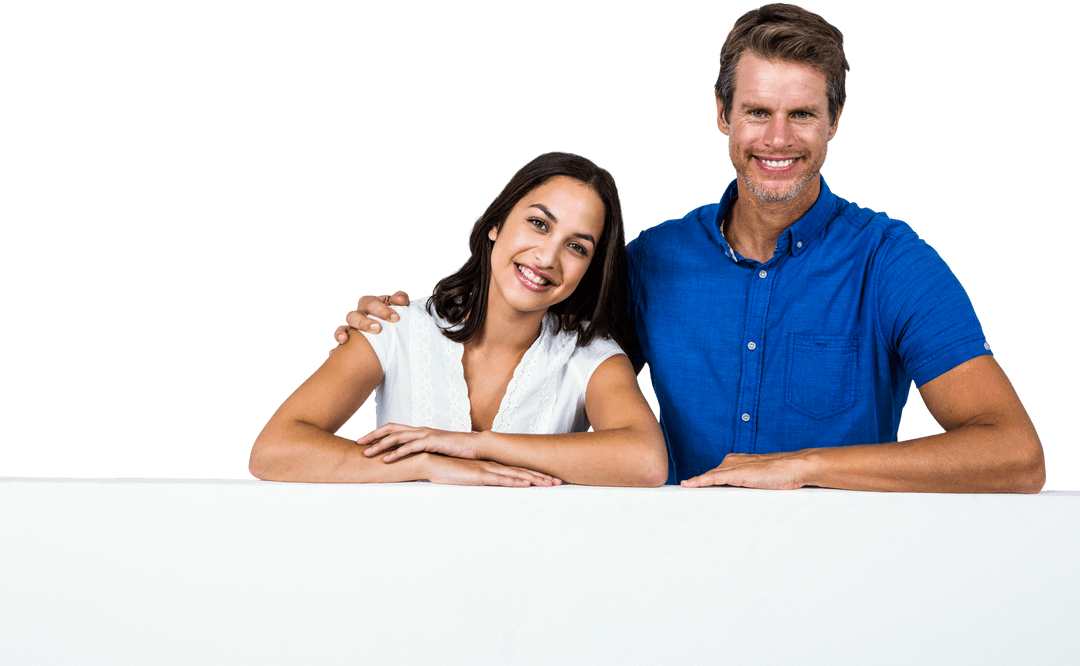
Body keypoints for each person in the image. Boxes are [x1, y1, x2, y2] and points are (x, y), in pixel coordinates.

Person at [338, 4, 1045, 493]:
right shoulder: (652, 261)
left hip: (846, 567)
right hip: (675, 568)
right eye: (757, 112)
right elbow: (540, 359)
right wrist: (412, 330)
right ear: (721, 116)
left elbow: (1015, 455)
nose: (779, 138)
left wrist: (803, 467)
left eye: (802, 114)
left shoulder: (893, 263)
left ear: (835, 123)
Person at [250, 152, 667, 487]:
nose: (547, 257)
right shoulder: (395, 327)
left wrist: (477, 446)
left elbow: (646, 461)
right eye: (538, 224)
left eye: (577, 247)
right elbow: (274, 450)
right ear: (496, 224)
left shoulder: (590, 357)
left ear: (589, 270)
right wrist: (425, 464)